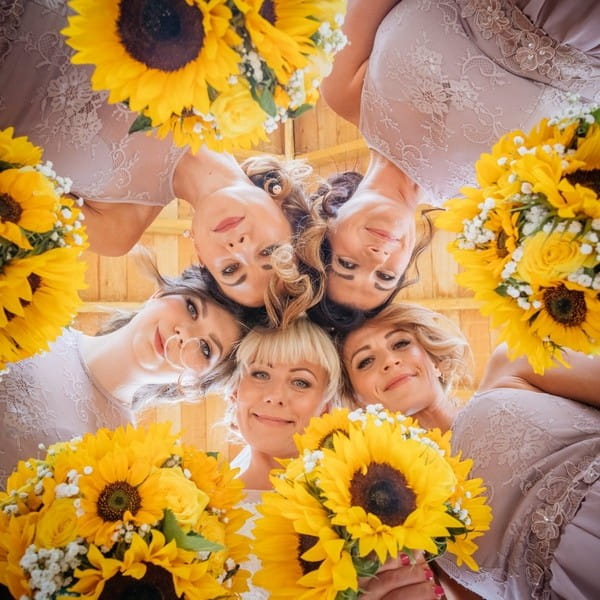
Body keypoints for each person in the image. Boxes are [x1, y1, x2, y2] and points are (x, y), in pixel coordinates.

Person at [0, 0, 318, 308]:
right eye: (267, 252)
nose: (240, 249)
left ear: (200, 256)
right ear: (283, 205)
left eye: (231, 271)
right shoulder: (238, 74)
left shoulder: (117, 231)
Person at [316, 0, 600, 314]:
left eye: (347, 263)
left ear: (326, 222)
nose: (377, 257)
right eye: (385, 276)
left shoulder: (343, 89)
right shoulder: (494, 206)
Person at [340, 302, 600, 599]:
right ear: (357, 398)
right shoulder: (414, 527)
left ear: (433, 358)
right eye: (365, 361)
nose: (389, 361)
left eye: (401, 343)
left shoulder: (510, 366)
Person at [222, 317, 446, 600]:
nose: (275, 396)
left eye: (301, 382)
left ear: (327, 406)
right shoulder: (198, 508)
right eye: (260, 375)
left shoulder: (375, 498)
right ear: (234, 391)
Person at [0, 254, 245, 488]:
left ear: (197, 382)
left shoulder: (122, 461)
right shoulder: (32, 323)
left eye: (205, 348)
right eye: (192, 309)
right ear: (160, 293)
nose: (184, 334)